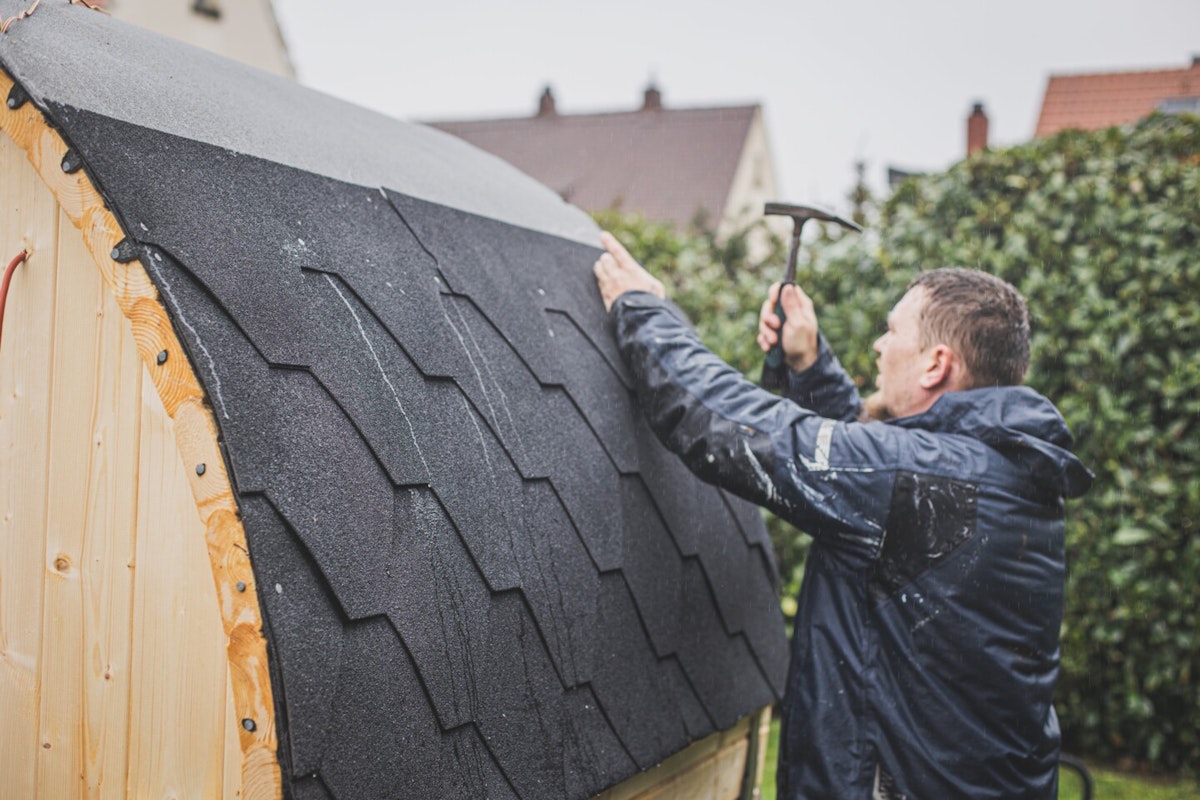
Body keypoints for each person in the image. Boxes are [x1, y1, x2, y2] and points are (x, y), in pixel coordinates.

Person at [593, 231, 1092, 800]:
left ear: (936, 364)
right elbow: (872, 479)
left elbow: (735, 430)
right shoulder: (1001, 468)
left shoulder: (930, 479)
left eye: (893, 330)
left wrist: (644, 313)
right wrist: (808, 364)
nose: (880, 346)